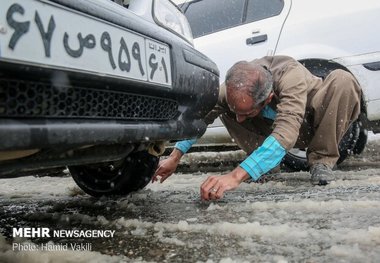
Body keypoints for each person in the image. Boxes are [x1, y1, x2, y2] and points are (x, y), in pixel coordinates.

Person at [152, 55, 361, 201]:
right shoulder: (231, 91)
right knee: (225, 108)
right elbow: (201, 119)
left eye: (247, 112)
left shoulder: (291, 76)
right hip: (270, 129)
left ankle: (321, 162)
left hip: (309, 123)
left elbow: (287, 131)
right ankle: (266, 166)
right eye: (238, 112)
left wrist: (235, 176)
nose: (239, 120)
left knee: (343, 80)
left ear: (268, 98)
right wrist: (175, 156)